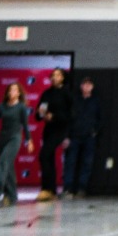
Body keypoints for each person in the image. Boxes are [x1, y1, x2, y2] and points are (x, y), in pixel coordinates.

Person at [35, 68, 73, 201]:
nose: (54, 77)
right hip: (49, 129)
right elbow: (40, 113)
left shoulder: (67, 93)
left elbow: (71, 115)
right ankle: (51, 190)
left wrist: (55, 116)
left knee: (44, 155)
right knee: (48, 158)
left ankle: (47, 188)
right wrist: (41, 114)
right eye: (53, 75)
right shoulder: (47, 93)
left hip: (61, 129)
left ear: (62, 78)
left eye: (57, 75)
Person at [65, 77, 101, 197]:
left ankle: (82, 187)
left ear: (92, 87)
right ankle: (68, 188)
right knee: (71, 162)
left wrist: (95, 131)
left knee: (87, 162)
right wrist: (67, 135)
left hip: (89, 136)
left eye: (89, 84)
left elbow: (100, 118)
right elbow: (69, 119)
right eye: (85, 84)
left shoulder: (95, 101)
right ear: (81, 86)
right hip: (74, 136)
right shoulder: (75, 100)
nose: (87, 86)